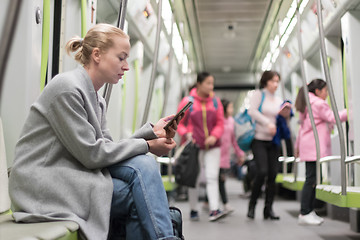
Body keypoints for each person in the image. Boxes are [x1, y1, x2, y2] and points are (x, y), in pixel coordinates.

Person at [9, 23, 182, 240]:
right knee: (138, 194)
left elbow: (106, 150)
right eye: (121, 58)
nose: (127, 66)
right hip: (42, 187)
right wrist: (147, 145)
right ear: (97, 55)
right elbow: (92, 155)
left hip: (72, 177)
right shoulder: (67, 88)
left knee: (144, 166)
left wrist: (151, 134)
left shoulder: (96, 98)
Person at [294, 79, 347, 225]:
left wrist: (297, 146)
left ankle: (308, 211)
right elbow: (333, 117)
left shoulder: (307, 104)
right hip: (313, 146)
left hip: (308, 145)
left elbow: (301, 128)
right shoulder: (318, 104)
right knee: (311, 179)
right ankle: (305, 212)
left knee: (312, 179)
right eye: (325, 91)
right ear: (317, 91)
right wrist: (352, 111)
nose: (327, 94)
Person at [177, 72, 225, 222]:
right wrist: (187, 134)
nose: (211, 86)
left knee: (212, 176)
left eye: (212, 83)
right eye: (208, 83)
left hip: (213, 145)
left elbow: (220, 123)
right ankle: (193, 209)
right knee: (194, 177)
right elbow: (178, 123)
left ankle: (214, 210)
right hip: (195, 146)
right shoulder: (188, 101)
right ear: (199, 84)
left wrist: (214, 136)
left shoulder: (216, 102)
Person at [247, 70, 284, 220]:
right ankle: (252, 205)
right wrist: (267, 122)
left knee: (273, 175)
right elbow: (252, 111)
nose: (275, 84)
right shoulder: (259, 95)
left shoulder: (278, 99)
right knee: (262, 172)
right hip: (259, 139)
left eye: (277, 81)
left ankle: (268, 209)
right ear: (266, 81)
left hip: (273, 142)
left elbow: (280, 119)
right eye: (273, 81)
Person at [219, 99, 245, 213]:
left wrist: (240, 153)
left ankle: (206, 201)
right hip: (216, 154)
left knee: (218, 179)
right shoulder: (218, 120)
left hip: (226, 156)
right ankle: (225, 203)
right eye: (230, 107)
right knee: (221, 179)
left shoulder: (231, 121)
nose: (232, 110)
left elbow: (234, 140)